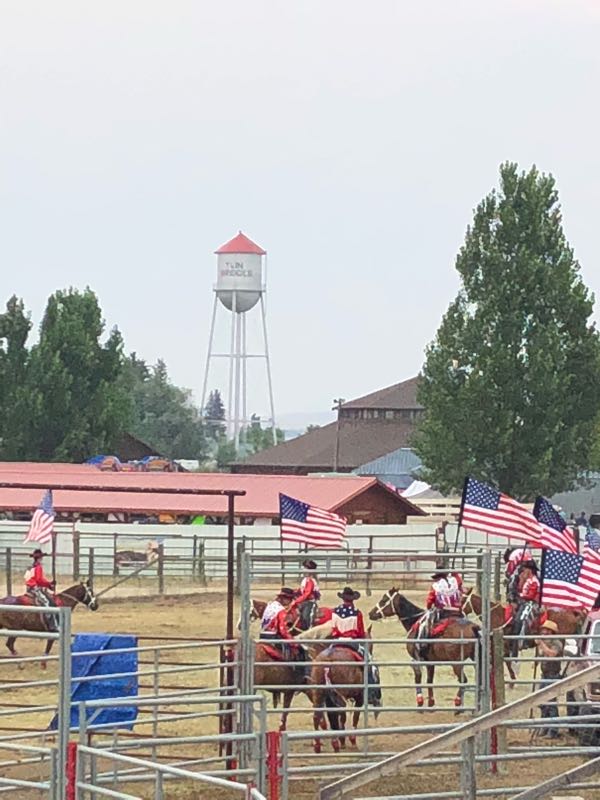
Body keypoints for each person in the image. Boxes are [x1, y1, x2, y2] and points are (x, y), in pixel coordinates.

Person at [328, 587, 380, 705]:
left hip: (336, 642)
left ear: (343, 599)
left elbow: (333, 628)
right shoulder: (357, 613)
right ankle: (371, 694)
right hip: (351, 642)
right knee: (369, 663)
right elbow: (360, 633)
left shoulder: (335, 611)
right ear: (353, 599)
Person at [260, 588, 307, 676]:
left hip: (263, 635)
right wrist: (294, 643)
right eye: (290, 599)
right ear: (284, 599)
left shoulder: (270, 606)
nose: (290, 602)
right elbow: (283, 631)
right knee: (299, 650)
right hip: (274, 637)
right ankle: (297, 675)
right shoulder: (281, 611)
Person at [535, 620, 564, 739]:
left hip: (553, 675)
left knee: (551, 703)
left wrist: (541, 644)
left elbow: (552, 654)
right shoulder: (547, 642)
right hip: (545, 674)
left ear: (550, 632)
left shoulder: (557, 643)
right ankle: (545, 726)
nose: (543, 632)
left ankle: (553, 730)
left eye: (545, 630)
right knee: (542, 702)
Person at [24, 549, 57, 632]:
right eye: (41, 557)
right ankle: (51, 623)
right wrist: (49, 584)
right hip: (35, 588)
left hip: (29, 587)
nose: (42, 559)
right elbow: (39, 580)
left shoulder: (30, 567)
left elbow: (28, 578)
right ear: (39, 558)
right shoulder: (38, 567)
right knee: (47, 602)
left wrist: (48, 584)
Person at [290, 559, 321, 630]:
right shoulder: (305, 580)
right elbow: (302, 590)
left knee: (305, 617)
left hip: (309, 602)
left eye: (305, 568)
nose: (303, 570)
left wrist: (296, 601)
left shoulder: (310, 581)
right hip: (304, 602)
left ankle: (308, 629)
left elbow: (307, 593)